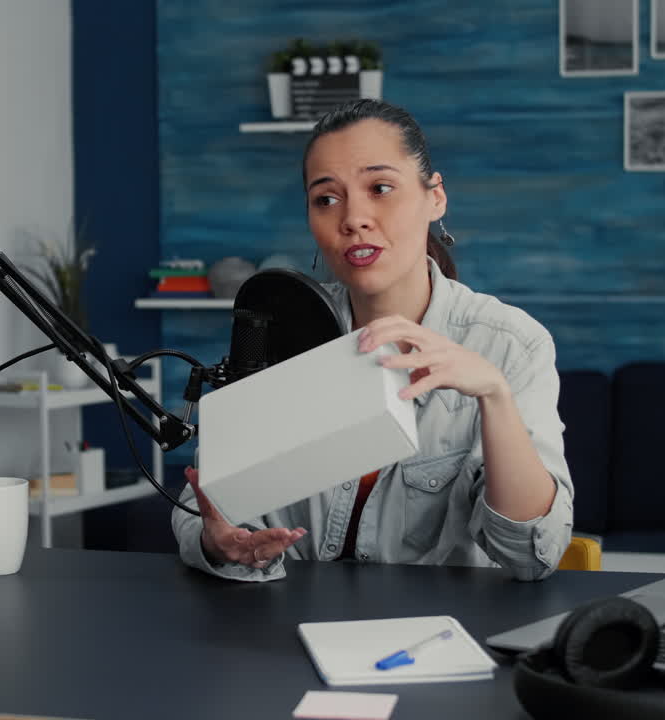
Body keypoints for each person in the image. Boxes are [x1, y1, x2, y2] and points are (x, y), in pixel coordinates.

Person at [172, 99, 573, 583]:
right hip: (279, 627)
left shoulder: (512, 344)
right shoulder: (278, 328)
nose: (354, 218)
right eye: (326, 199)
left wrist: (495, 394)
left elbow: (531, 557)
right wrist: (220, 541)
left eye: (380, 188)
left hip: (441, 635)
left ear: (435, 197)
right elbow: (206, 503)